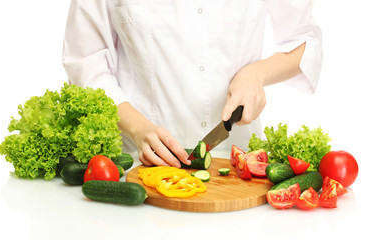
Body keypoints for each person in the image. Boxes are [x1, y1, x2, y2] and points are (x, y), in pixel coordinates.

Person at [62, 0, 322, 168]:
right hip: (140, 164)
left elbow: (306, 41)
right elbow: (86, 62)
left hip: (238, 164)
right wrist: (139, 129)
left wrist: (257, 74)